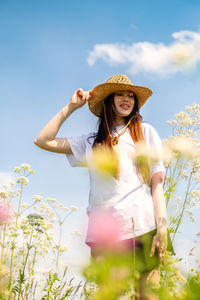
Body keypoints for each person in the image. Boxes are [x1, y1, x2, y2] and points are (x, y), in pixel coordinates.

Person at [34, 74, 174, 299]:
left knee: (148, 297)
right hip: (105, 234)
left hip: (144, 227)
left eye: (131, 96)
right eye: (120, 94)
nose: (126, 99)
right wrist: (70, 107)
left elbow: (157, 184)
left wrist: (162, 228)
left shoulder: (145, 132)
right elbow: (43, 141)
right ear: (109, 100)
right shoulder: (90, 142)